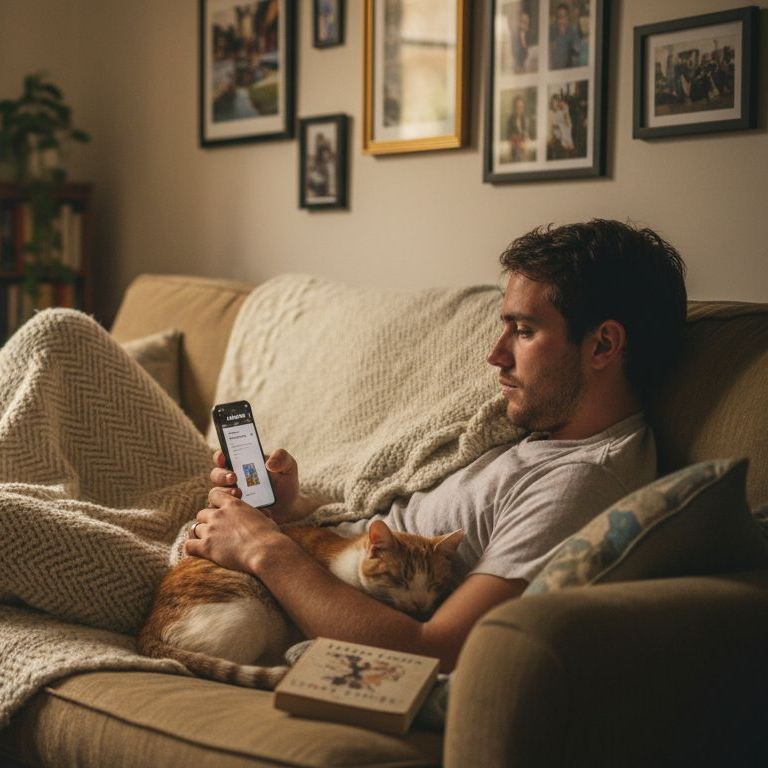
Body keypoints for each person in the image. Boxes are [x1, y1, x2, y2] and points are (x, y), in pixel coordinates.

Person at [183, 219, 688, 671]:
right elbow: (383, 516)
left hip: (272, 587)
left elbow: (436, 648)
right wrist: (290, 508)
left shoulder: (580, 483)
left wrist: (264, 549)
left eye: (523, 331)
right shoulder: (533, 424)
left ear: (603, 345)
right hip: (301, 552)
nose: (495, 355)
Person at [549, 3, 581, 69]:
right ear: (556, 18)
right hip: (554, 67)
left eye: (564, 16)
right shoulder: (552, 29)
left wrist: (574, 46)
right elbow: (550, 48)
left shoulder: (572, 30)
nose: (561, 19)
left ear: (567, 17)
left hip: (567, 67)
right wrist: (560, 33)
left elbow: (577, 50)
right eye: (559, 16)